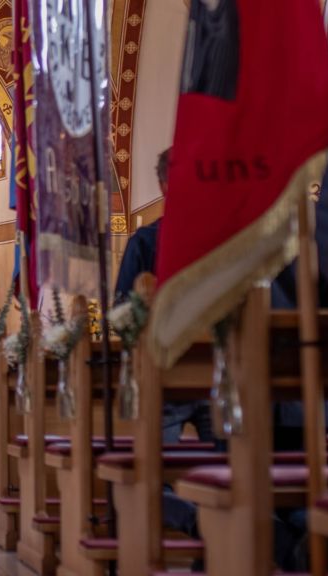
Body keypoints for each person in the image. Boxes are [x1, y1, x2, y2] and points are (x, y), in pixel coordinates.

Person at [115, 148, 215, 446]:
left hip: (166, 371)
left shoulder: (144, 243)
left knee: (156, 471)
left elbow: (122, 313)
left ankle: (172, 494)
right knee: (227, 466)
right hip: (210, 369)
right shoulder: (223, 243)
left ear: (162, 186)